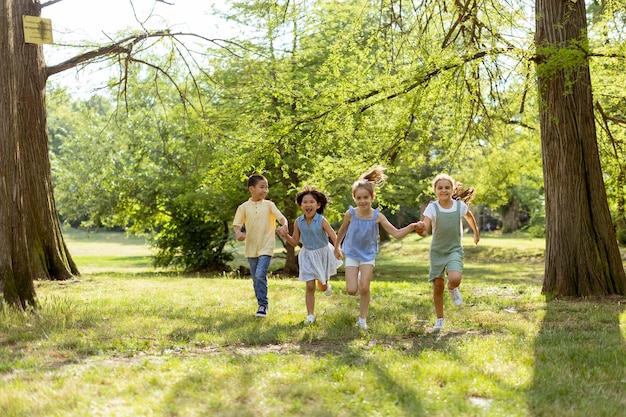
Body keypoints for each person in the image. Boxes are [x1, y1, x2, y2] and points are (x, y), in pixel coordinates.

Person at [334, 166, 419, 330]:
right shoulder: (350, 214)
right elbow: (342, 230)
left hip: (367, 255)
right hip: (351, 252)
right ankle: (357, 279)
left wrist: (412, 227)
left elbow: (396, 233)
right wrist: (337, 247)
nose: (362, 201)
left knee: (365, 287)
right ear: (354, 198)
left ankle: (362, 320)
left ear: (372, 197)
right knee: (352, 290)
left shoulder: (377, 216)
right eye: (359, 198)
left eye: (365, 197)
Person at [416, 173, 480, 331]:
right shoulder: (432, 207)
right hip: (437, 250)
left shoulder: (459, 206)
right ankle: (440, 319)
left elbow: (469, 217)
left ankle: (453, 288)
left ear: (452, 189)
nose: (443, 190)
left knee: (455, 278)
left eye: (447, 187)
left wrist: (476, 233)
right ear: (435, 190)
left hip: (454, 249)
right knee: (438, 285)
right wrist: (419, 229)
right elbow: (425, 228)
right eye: (440, 188)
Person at [280, 186, 342, 325]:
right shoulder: (298, 222)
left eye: (311, 202)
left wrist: (338, 249)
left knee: (322, 286)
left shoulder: (321, 220)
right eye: (305, 202)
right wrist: (286, 235)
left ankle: (326, 286)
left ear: (318, 205)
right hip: (307, 255)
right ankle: (310, 316)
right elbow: (295, 242)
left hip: (323, 254)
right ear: (301, 205)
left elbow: (334, 236)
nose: (308, 205)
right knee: (310, 286)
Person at [233, 174, 288, 318]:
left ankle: (263, 304)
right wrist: (238, 233)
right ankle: (260, 304)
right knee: (255, 278)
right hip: (251, 248)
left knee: (259, 274)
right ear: (251, 189)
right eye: (261, 187)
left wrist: (284, 226)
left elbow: (281, 218)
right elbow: (237, 224)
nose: (265, 190)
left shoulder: (269, 205)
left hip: (266, 246)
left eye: (266, 187)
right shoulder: (243, 207)